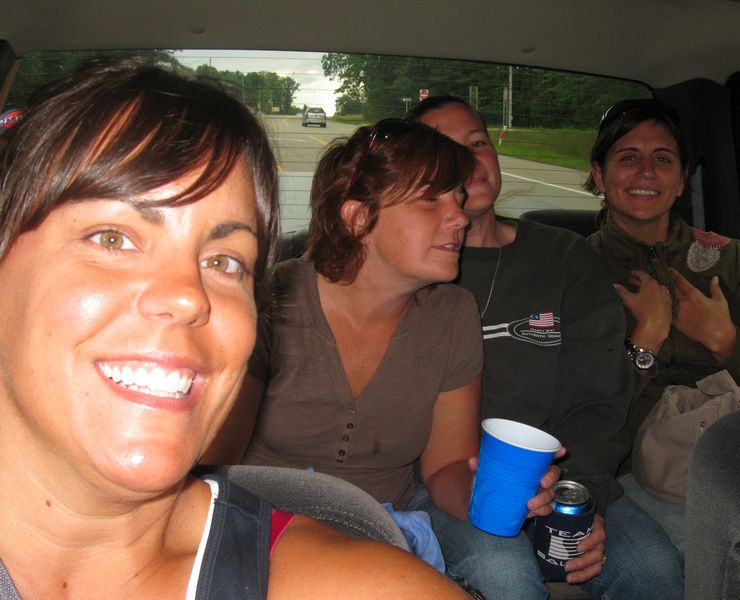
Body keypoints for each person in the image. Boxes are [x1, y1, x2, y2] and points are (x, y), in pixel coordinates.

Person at [0, 58, 471, 600]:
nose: (188, 295)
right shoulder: (291, 301)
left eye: (224, 262)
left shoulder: (355, 582)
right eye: (112, 238)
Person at [205, 117, 565, 597]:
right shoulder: (273, 299)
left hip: (386, 519)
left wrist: (494, 496)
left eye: (458, 198)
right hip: (263, 512)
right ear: (359, 219)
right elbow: (213, 464)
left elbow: (444, 467)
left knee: (509, 574)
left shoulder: (454, 313)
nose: (460, 217)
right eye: (431, 199)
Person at [409, 95, 685, 600]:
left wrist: (581, 497)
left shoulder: (564, 257)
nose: (469, 159)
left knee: (654, 569)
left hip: (561, 478)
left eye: (478, 143)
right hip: (444, 483)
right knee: (507, 577)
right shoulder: (410, 266)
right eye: (446, 150)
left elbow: (598, 398)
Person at [585, 98, 740, 554]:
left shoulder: (728, 259)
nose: (647, 172)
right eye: (628, 157)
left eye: (663, 159)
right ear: (600, 176)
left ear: (683, 179)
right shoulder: (577, 267)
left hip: (733, 460)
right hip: (636, 472)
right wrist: (647, 339)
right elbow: (582, 415)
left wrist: (725, 343)